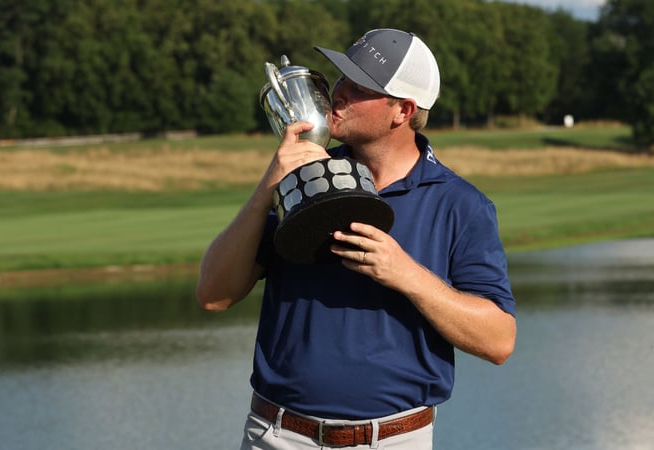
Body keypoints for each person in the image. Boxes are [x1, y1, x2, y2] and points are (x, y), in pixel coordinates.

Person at [196, 28, 517, 449]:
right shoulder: (301, 179)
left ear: (402, 110)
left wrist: (406, 274)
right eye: (341, 78)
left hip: (394, 440)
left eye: (358, 86)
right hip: (278, 436)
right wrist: (266, 189)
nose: (339, 93)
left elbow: (498, 341)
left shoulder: (460, 204)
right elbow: (214, 295)